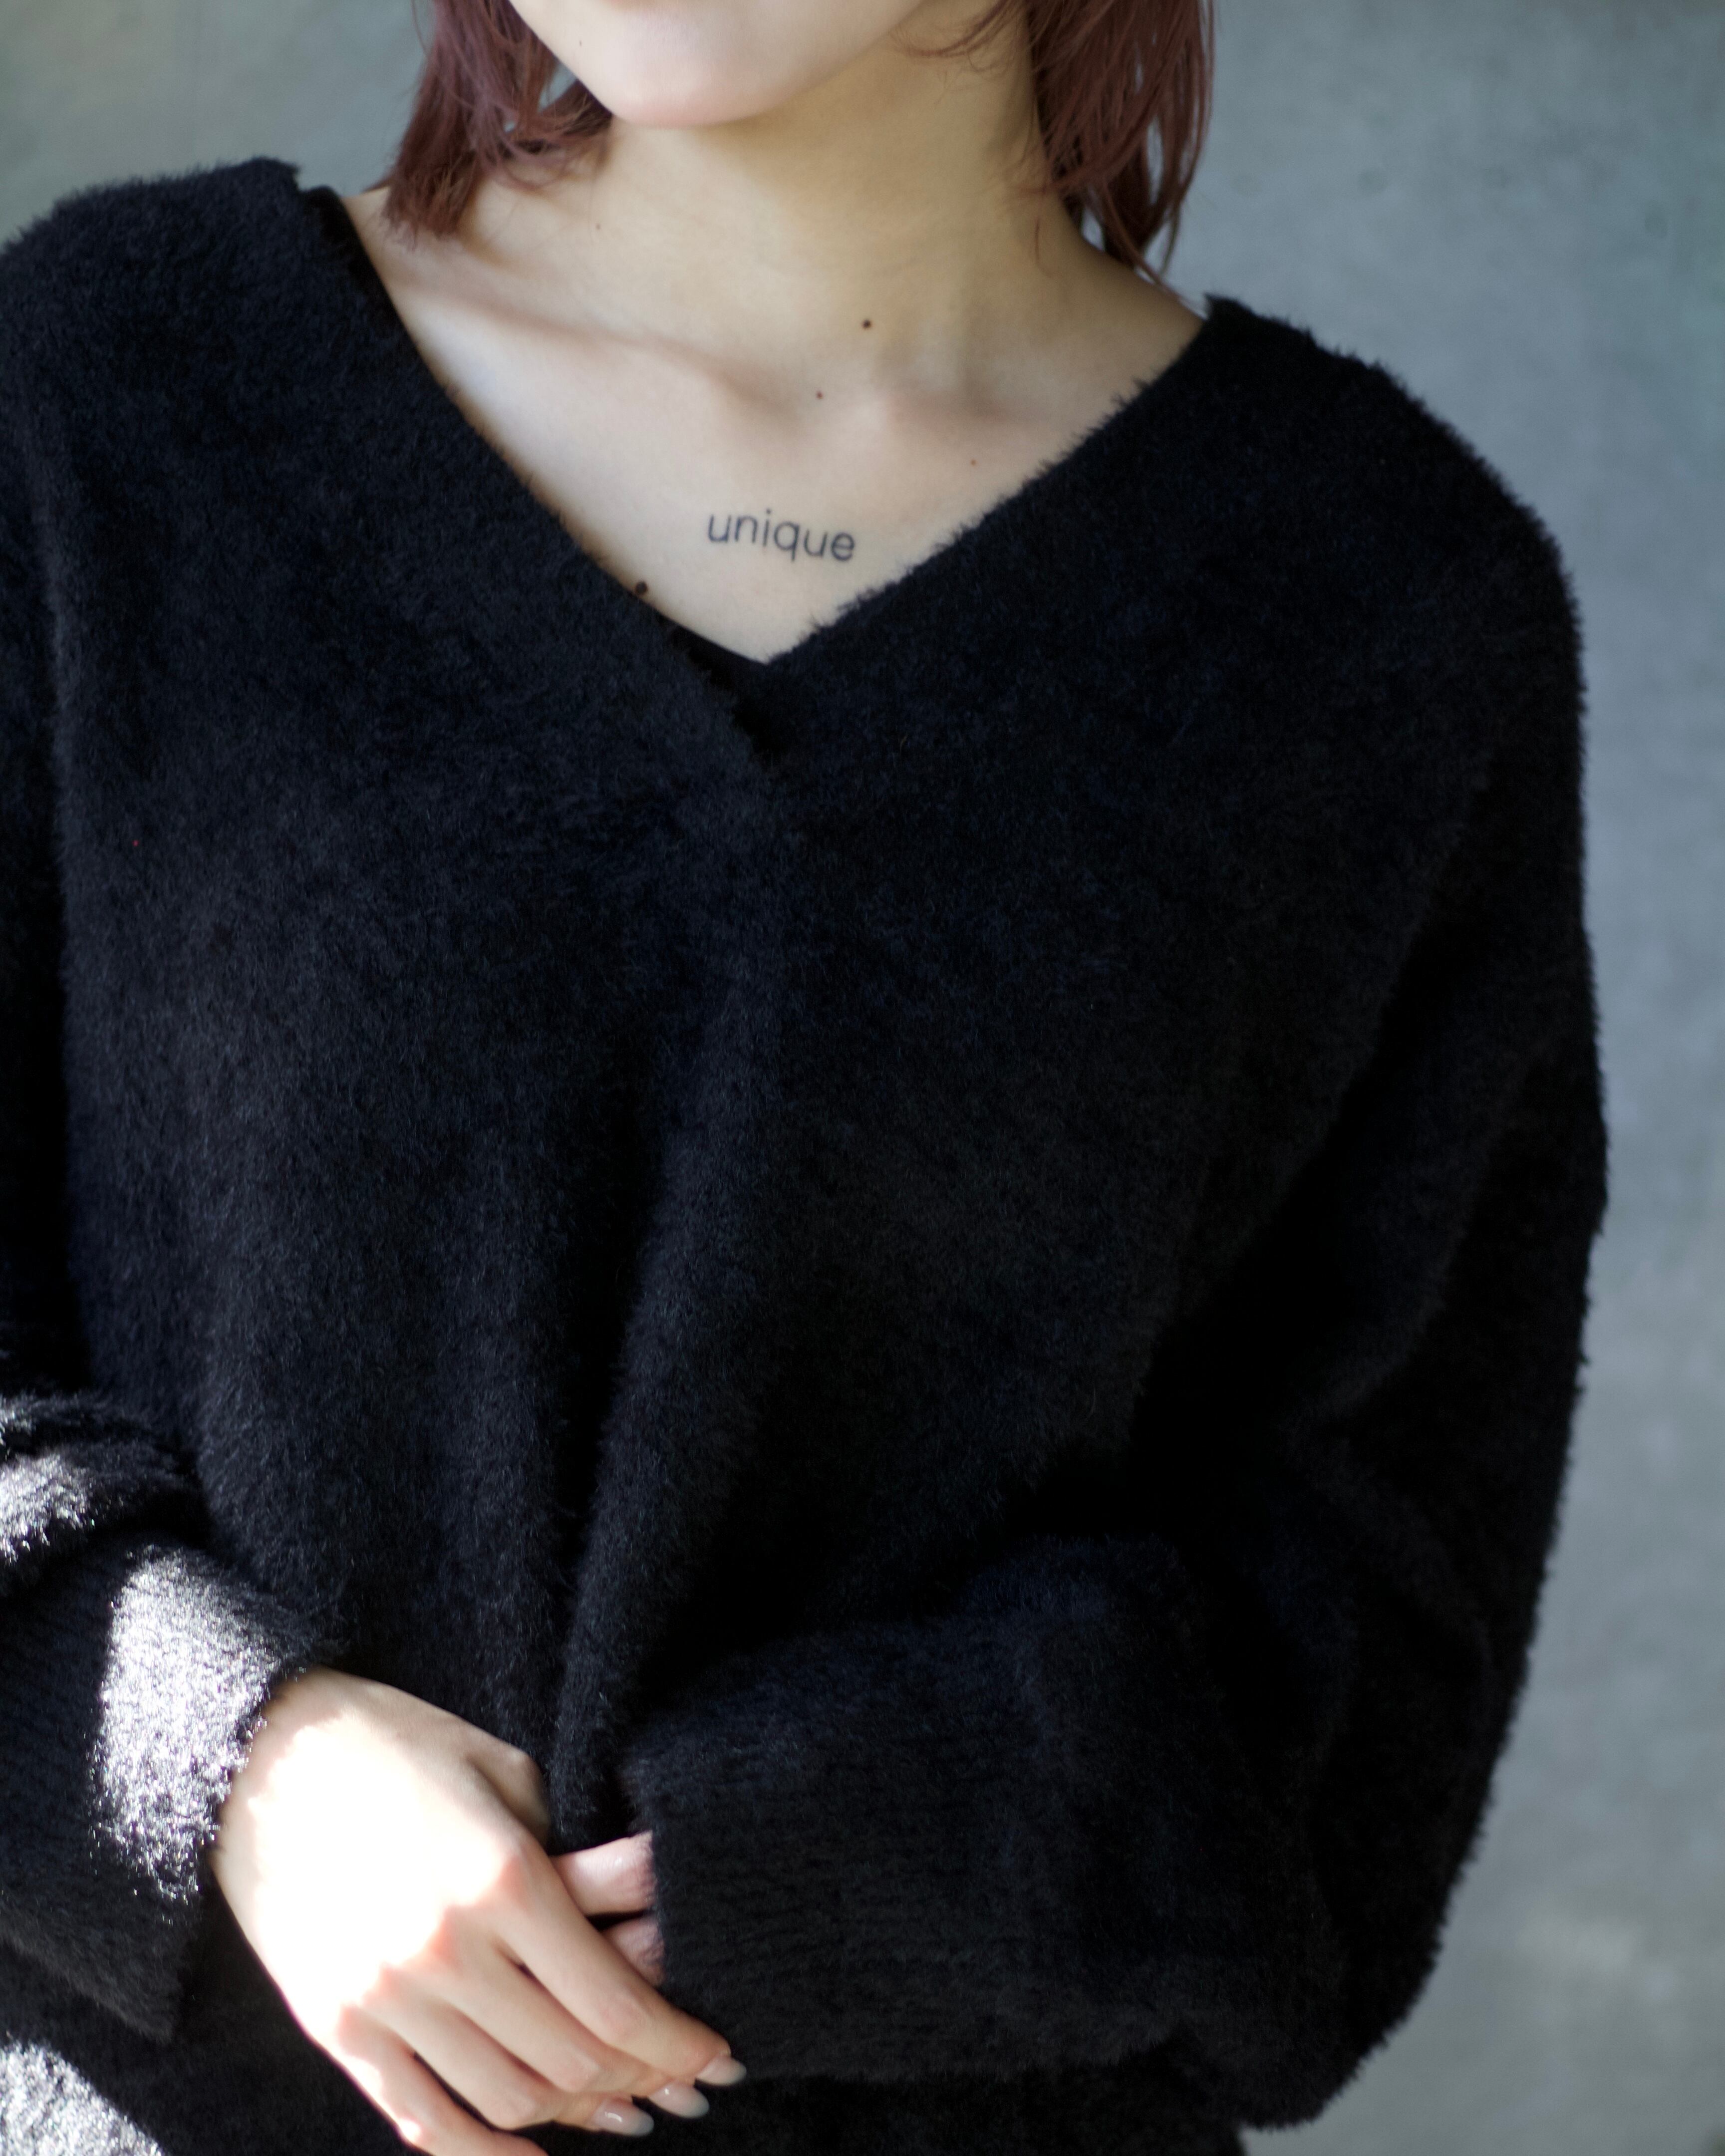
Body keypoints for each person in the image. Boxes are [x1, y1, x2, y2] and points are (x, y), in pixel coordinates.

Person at [0, 0, 1607, 2152]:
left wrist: (809, 1870)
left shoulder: (1383, 614)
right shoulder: (111, 393)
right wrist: (225, 1764)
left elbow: (1366, 1650)